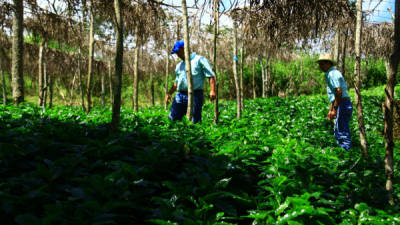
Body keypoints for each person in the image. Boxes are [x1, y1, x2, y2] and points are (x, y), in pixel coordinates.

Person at [165, 40, 216, 123]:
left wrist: (212, 90)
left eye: (178, 52)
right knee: (173, 119)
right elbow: (176, 82)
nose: (177, 54)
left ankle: (196, 135)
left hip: (195, 94)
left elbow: (210, 75)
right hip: (180, 95)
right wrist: (169, 93)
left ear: (183, 49)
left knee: (194, 120)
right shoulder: (179, 65)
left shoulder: (200, 60)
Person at [317, 53, 353, 150]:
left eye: (322, 64)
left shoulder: (332, 74)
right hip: (341, 103)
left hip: (343, 104)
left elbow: (338, 91)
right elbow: (334, 96)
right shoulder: (330, 73)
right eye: (319, 64)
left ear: (328, 63)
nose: (320, 66)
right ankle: (342, 153)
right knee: (339, 130)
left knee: (342, 131)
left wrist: (335, 109)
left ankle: (345, 154)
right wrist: (331, 110)